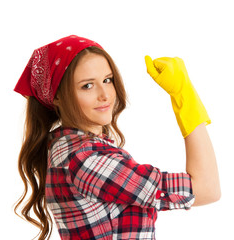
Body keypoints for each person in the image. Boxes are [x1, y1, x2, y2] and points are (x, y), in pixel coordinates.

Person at [14, 35, 221, 240]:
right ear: (57, 96)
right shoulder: (87, 159)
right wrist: (184, 96)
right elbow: (207, 189)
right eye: (87, 85)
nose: (105, 94)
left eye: (107, 80)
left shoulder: (63, 147)